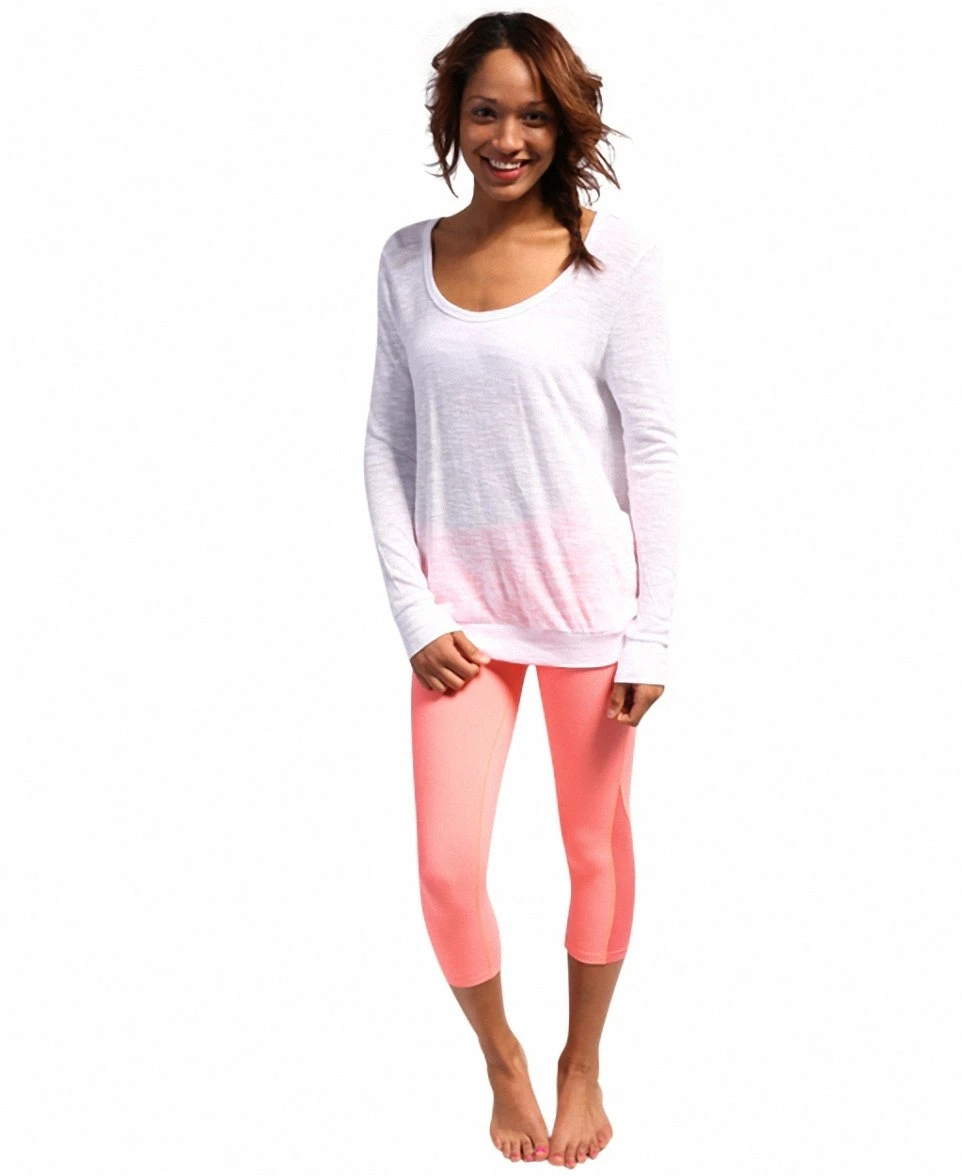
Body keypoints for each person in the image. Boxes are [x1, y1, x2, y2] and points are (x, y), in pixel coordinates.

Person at [362, 12, 680, 1168]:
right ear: (452, 118)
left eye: (534, 115)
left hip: (591, 607)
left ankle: (581, 1059)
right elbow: (387, 443)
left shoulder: (612, 257)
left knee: (594, 848)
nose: (509, 137)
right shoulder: (406, 259)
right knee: (449, 870)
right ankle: (502, 1057)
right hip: (461, 622)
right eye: (486, 112)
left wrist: (653, 633)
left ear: (566, 123)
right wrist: (416, 612)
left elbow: (654, 446)